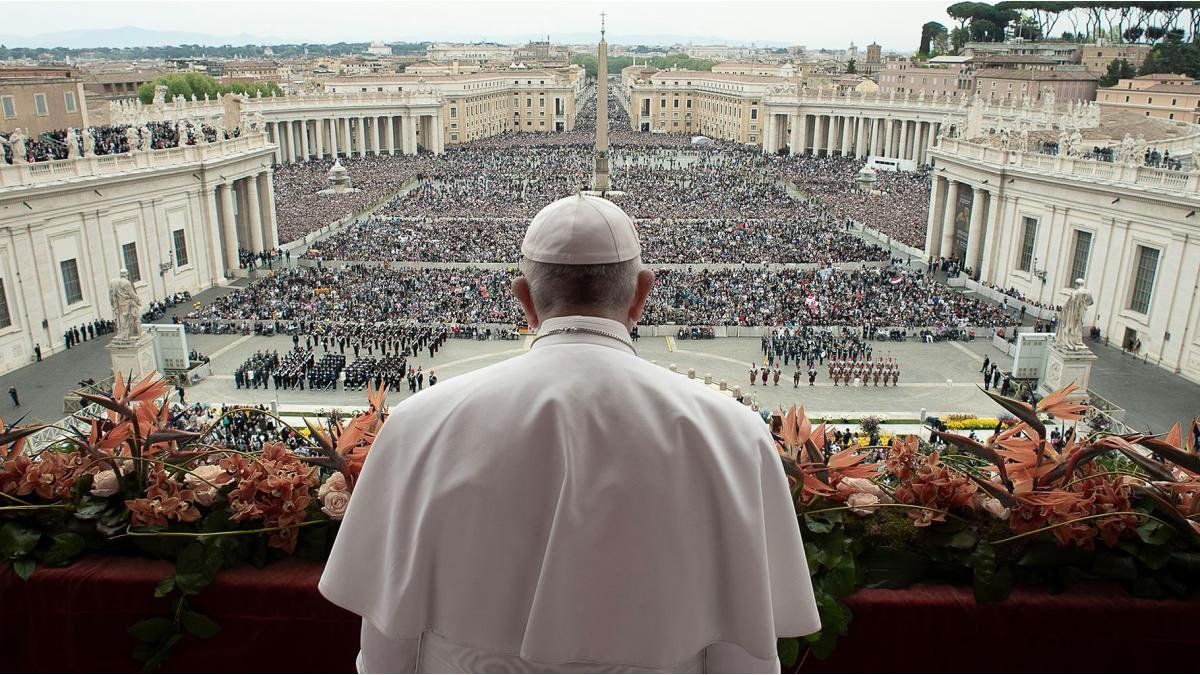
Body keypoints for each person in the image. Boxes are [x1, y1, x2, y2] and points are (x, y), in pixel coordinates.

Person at [321, 194, 819, 673]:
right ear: (642, 293)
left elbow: (387, 637)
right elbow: (744, 646)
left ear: (524, 299)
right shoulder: (732, 433)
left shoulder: (418, 424)